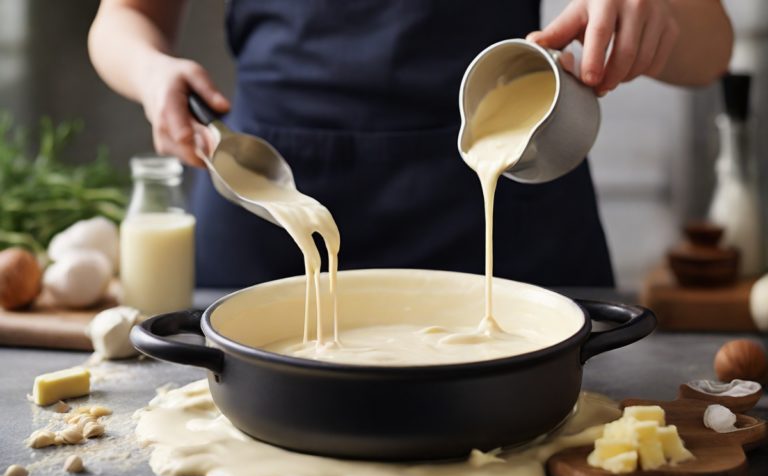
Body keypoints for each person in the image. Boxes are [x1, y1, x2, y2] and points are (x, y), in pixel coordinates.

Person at [89, 0, 733, 289]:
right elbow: (124, 17)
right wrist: (151, 72)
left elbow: (713, 48)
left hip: (505, 204)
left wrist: (655, 13)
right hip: (273, 202)